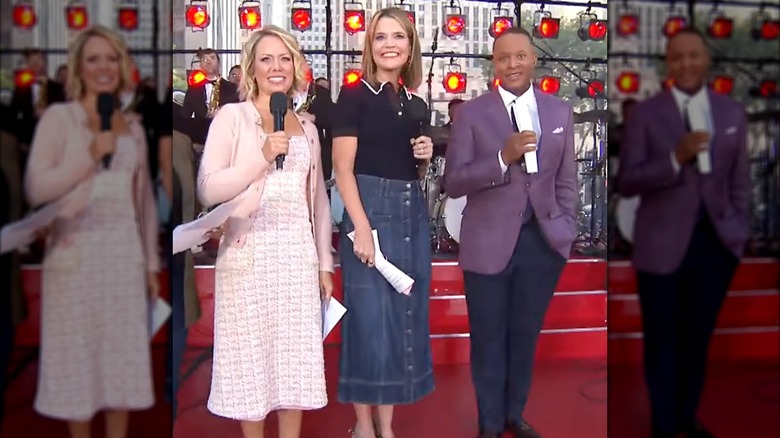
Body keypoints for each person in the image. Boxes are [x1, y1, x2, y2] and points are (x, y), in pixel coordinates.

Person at [196, 25, 334, 438]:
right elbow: (207, 188)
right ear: (252, 68)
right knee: (250, 368)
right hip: (247, 256)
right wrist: (259, 158)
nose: (277, 67)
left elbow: (319, 203)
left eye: (285, 58)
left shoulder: (307, 127)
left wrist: (324, 263)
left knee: (294, 369)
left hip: (296, 256)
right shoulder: (231, 117)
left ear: (295, 66)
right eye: (267, 59)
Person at [24, 25, 160, 438]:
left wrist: (151, 262)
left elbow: (144, 203)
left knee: (120, 373)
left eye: (111, 58)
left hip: (122, 260)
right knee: (78, 374)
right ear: (79, 68)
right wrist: (87, 156)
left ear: (122, 65)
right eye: (93, 59)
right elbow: (37, 186)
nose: (103, 66)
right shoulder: (58, 118)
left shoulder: (132, 127)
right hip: (74, 260)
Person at [444, 27, 577, 438]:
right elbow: (454, 182)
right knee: (488, 340)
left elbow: (567, 181)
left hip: (543, 243)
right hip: (487, 244)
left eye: (520, 56)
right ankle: (488, 424)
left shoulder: (559, 112)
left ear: (534, 59)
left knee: (524, 337)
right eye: (504, 58)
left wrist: (566, 231)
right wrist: (502, 157)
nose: (513, 64)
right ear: (494, 64)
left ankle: (512, 416)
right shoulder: (471, 113)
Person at [617, 28, 749, 438]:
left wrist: (737, 235)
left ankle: (687, 417)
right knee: (662, 342)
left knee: (697, 340)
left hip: (716, 245)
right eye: (678, 58)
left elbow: (740, 181)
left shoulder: (731, 113)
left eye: (694, 56)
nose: (687, 63)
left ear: (706, 60)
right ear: (668, 65)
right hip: (661, 247)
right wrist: (675, 157)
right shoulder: (646, 114)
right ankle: (663, 423)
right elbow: (628, 181)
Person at [332, 7, 435, 438]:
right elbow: (342, 169)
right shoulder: (354, 95)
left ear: (410, 46)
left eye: (399, 36)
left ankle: (387, 428)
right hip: (368, 215)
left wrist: (426, 160)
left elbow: (414, 173)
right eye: (381, 37)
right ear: (369, 45)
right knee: (369, 324)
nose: (390, 43)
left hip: (411, 214)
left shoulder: (418, 104)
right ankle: (362, 427)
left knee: (403, 320)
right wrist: (360, 230)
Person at [181, 48, 239, 149]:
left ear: (219, 63)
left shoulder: (232, 88)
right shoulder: (193, 89)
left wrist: (223, 112)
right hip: (201, 137)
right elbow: (185, 114)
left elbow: (240, 113)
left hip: (226, 137)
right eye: (204, 59)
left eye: (212, 58)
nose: (208, 61)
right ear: (200, 65)